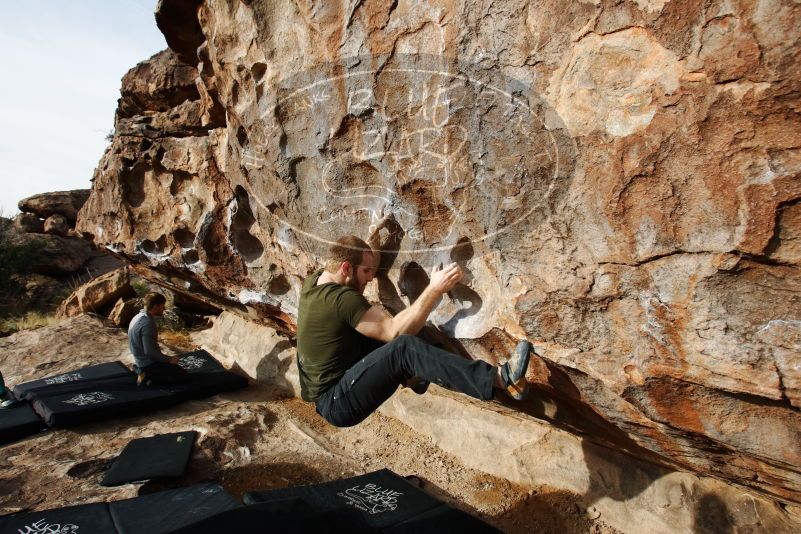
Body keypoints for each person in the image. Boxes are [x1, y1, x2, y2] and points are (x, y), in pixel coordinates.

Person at [296, 234, 534, 428]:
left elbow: (351, 261)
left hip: (340, 384)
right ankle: (500, 379)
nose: (370, 278)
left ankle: (415, 375)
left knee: (415, 326)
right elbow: (394, 333)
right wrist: (435, 289)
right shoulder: (342, 300)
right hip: (338, 402)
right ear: (347, 268)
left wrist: (371, 242)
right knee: (403, 345)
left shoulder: (317, 280)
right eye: (366, 272)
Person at [128, 293, 188, 386]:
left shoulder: (137, 317)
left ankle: (138, 369)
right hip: (147, 364)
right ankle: (147, 377)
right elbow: (150, 352)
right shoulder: (147, 323)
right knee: (183, 375)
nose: (163, 309)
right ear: (155, 306)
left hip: (139, 359)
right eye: (162, 306)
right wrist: (169, 359)